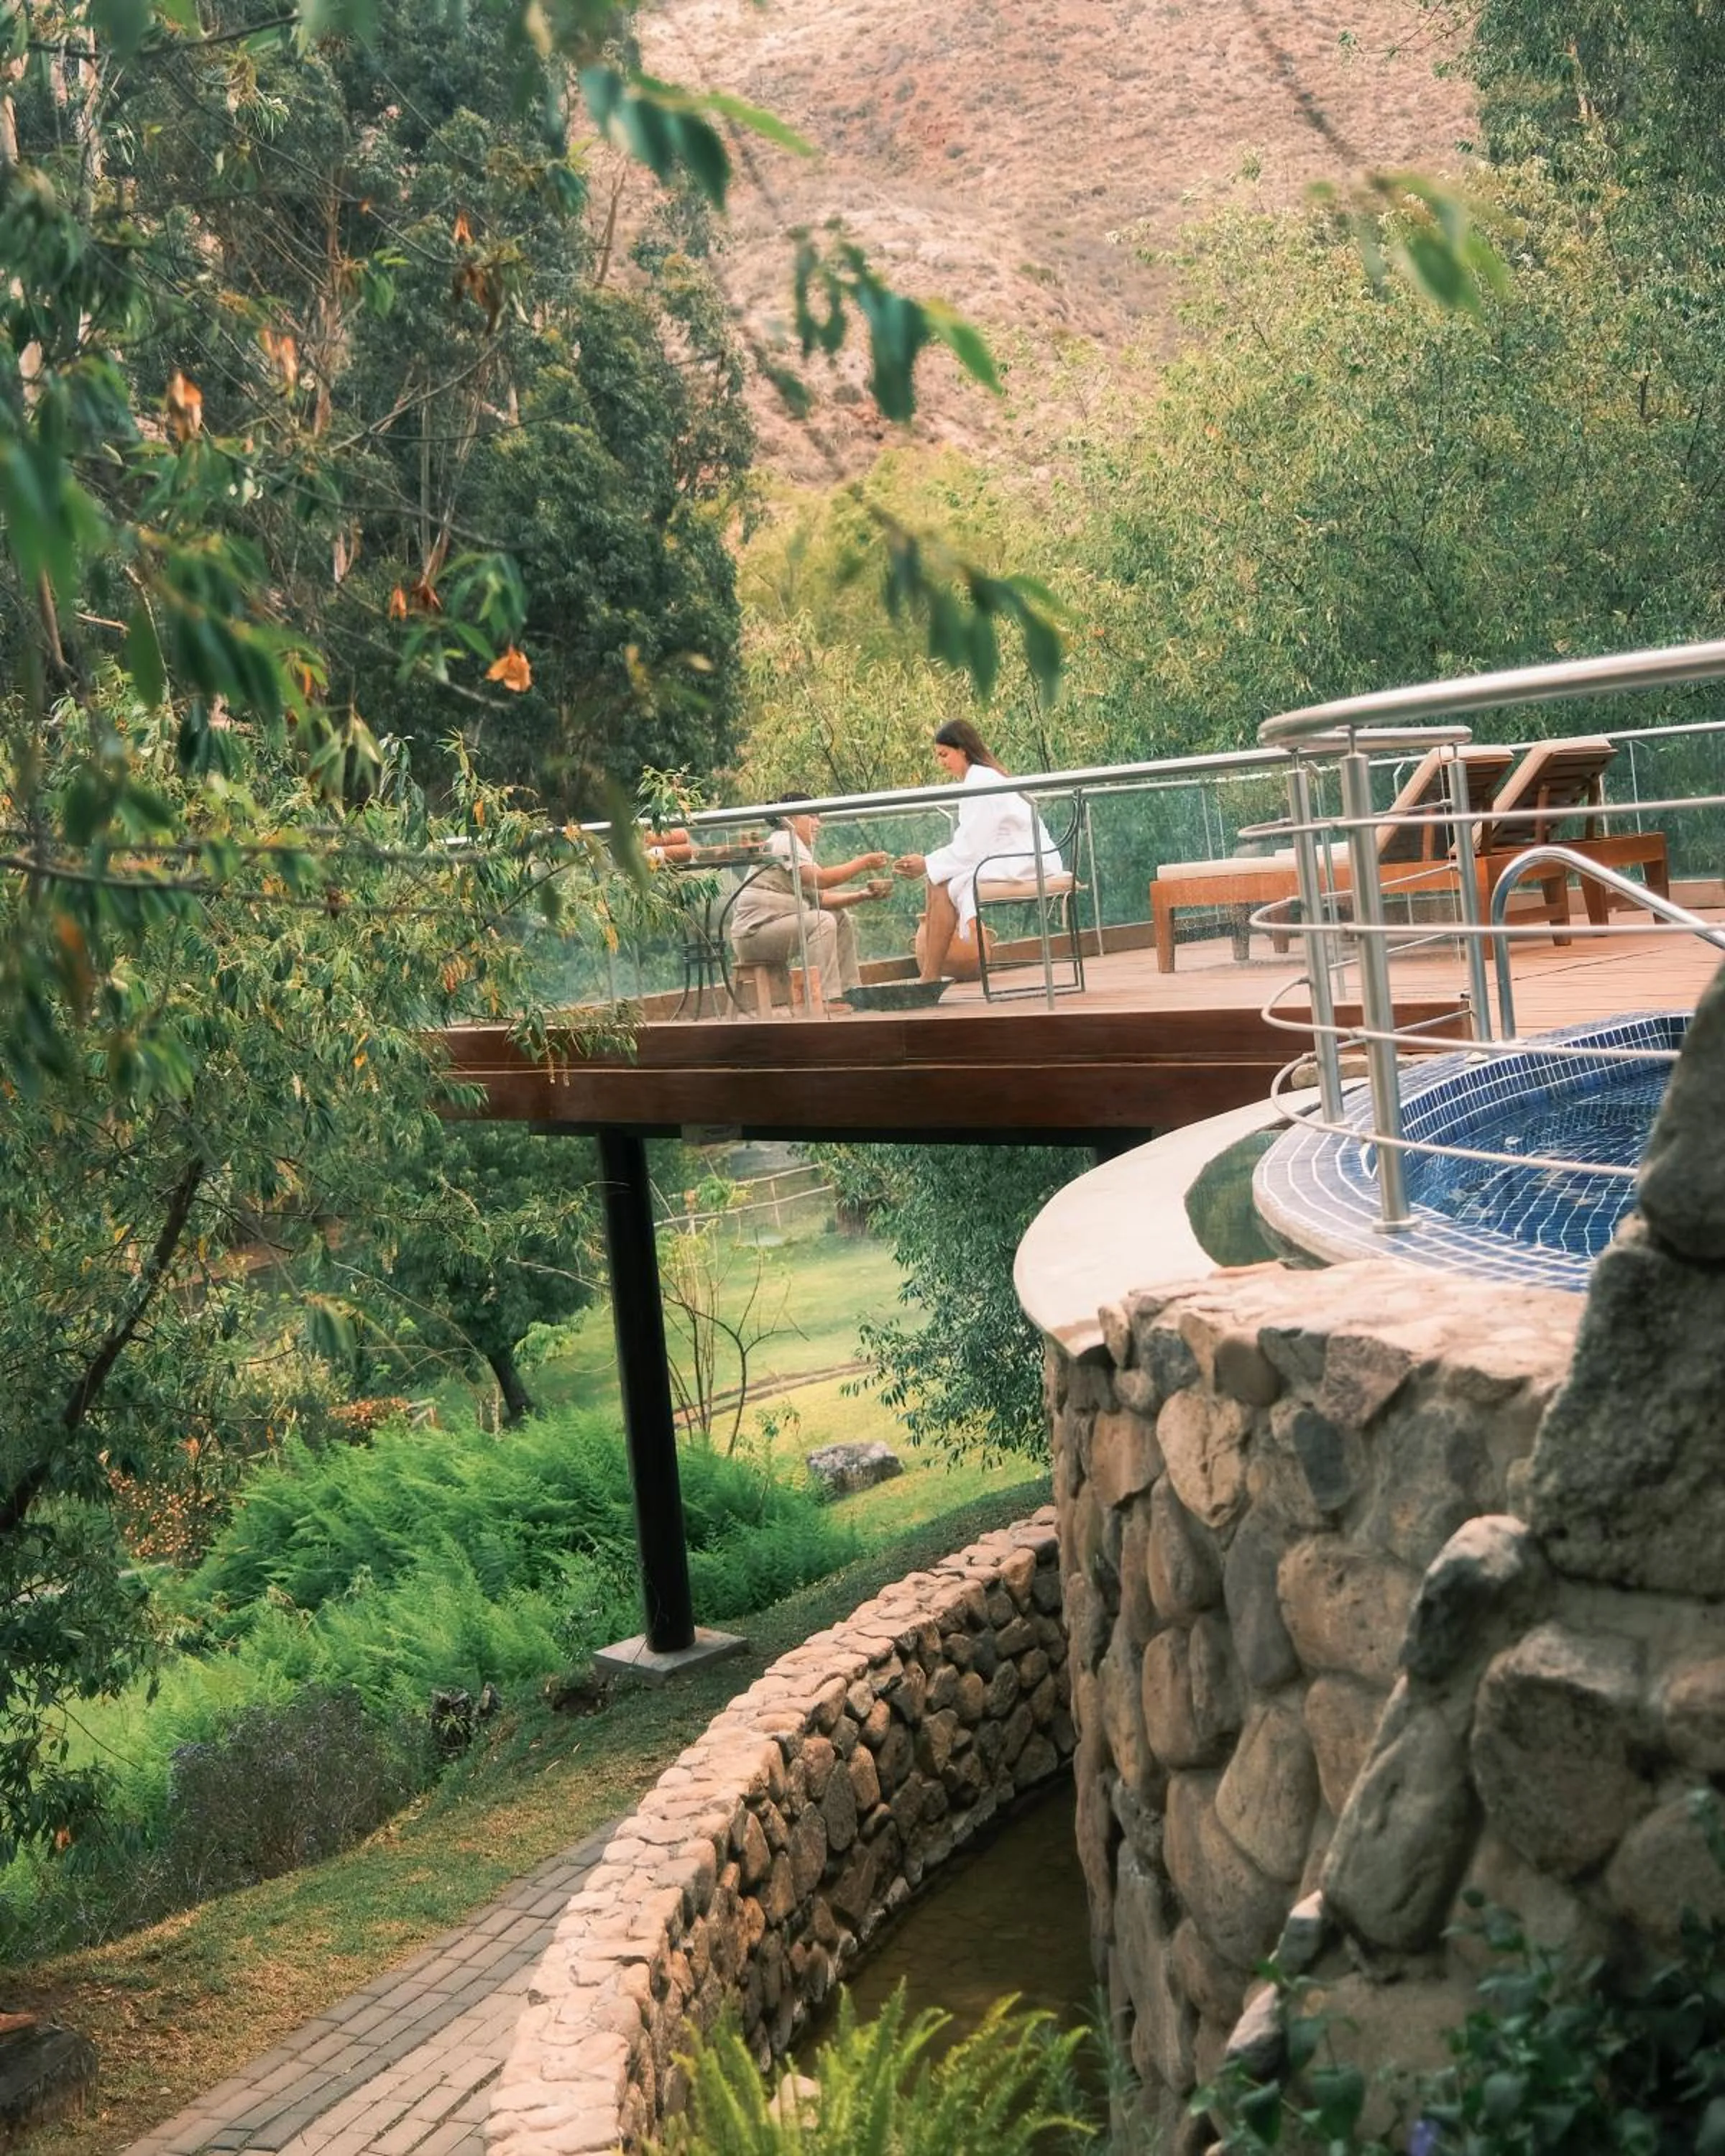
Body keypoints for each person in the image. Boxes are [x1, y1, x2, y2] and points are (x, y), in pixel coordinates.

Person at [893, 719, 1064, 981]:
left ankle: (929, 978)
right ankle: (930, 976)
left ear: (962, 749)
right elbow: (973, 842)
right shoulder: (980, 777)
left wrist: (926, 863)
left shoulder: (981, 780)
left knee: (940, 880)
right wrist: (930, 866)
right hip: (1012, 856)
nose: (941, 763)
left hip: (1026, 859)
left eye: (944, 754)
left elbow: (972, 847)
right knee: (938, 880)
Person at [727, 797, 893, 1010]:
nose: (818, 824)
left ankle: (848, 992)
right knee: (822, 920)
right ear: (790, 818)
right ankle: (823, 998)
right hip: (754, 936)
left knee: (838, 918)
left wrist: (863, 894)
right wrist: (863, 863)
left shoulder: (795, 846)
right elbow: (821, 879)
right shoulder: (784, 839)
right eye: (812, 816)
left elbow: (823, 898)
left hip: (773, 931)